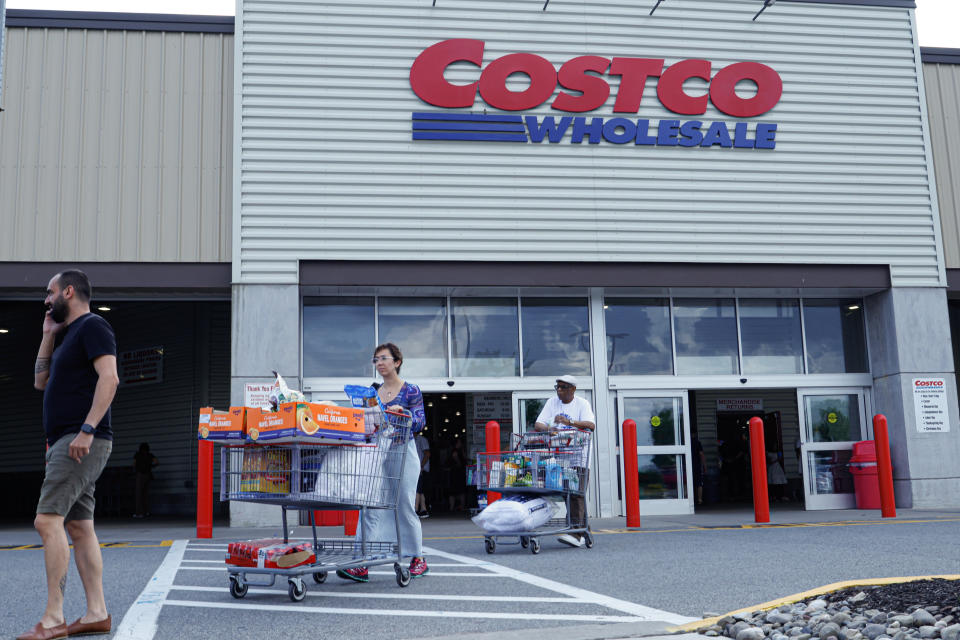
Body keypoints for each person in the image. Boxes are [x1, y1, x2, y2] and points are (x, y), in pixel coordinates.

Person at [20, 270, 118, 640]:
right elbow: (39, 382)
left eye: (50, 292)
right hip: (69, 440)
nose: (46, 299)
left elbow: (110, 379)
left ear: (69, 291)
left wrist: (87, 430)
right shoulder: (66, 337)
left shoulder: (94, 326)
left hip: (80, 440)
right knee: (79, 526)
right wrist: (47, 336)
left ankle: (53, 618)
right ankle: (96, 613)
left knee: (47, 521)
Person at [337, 343, 429, 582]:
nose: (379, 363)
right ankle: (362, 561)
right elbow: (365, 422)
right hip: (379, 451)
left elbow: (420, 422)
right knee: (371, 505)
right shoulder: (373, 391)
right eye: (375, 359)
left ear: (397, 362)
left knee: (404, 504)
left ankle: (418, 558)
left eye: (383, 358)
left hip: (402, 451)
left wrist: (404, 414)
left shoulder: (411, 391)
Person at [533, 375, 595, 548]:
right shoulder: (552, 402)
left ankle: (575, 533)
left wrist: (570, 422)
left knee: (576, 493)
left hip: (579, 457)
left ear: (573, 389)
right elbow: (538, 424)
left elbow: (591, 425)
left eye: (563, 387)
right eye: (557, 387)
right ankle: (584, 530)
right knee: (568, 495)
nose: (559, 390)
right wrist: (549, 428)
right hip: (560, 458)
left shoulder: (582, 404)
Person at [133, 443, 159, 518]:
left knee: (138, 494)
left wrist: (136, 469)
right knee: (145, 494)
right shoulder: (150, 455)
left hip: (140, 475)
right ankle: (146, 512)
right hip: (148, 475)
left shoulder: (137, 455)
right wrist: (151, 466)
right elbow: (157, 462)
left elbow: (134, 464)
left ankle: (139, 513)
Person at [447, 437, 467, 512]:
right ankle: (461, 506)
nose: (461, 443)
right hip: (457, 472)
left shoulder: (457, 450)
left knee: (453, 491)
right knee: (460, 490)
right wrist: (459, 463)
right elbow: (455, 456)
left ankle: (452, 507)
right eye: (459, 442)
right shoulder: (456, 450)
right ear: (457, 443)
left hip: (455, 472)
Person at [414, 431, 431, 518]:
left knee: (417, 489)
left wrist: (421, 466)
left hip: (421, 468)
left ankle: (416, 509)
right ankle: (423, 509)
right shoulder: (413, 439)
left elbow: (427, 454)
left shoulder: (421, 440)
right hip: (417, 468)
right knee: (420, 490)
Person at [692, 430, 706, 506]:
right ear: (696, 434)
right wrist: (704, 466)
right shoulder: (698, 442)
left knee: (687, 482)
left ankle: (687, 498)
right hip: (697, 465)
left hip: (688, 466)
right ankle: (700, 500)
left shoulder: (686, 442)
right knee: (699, 483)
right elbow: (701, 454)